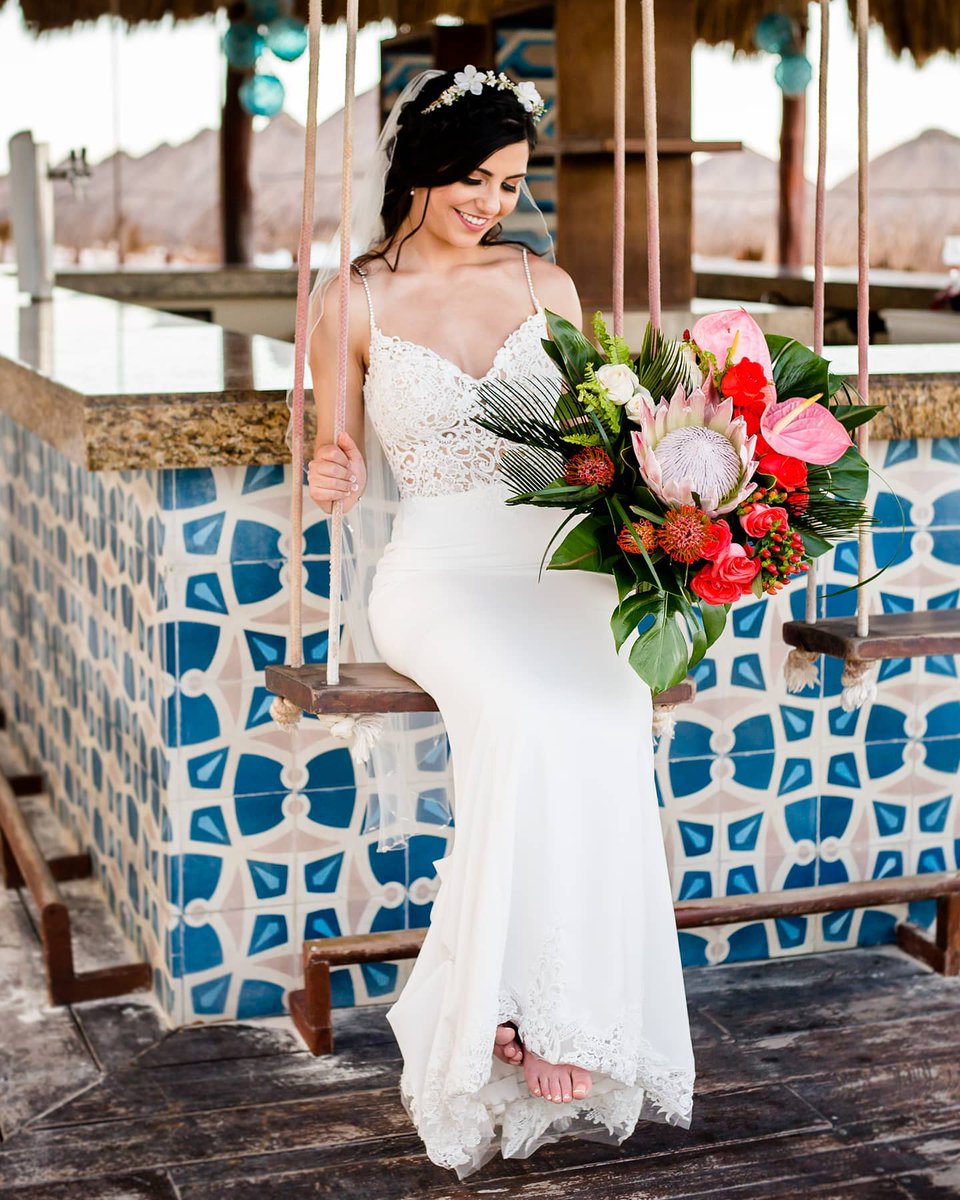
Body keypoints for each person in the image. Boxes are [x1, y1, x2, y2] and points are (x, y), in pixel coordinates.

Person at [304, 66, 695, 1180]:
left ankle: (556, 1012)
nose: (490, 201)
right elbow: (331, 453)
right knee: (522, 714)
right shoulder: (353, 301)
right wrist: (328, 467)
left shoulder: (546, 283)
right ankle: (504, 1014)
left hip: (556, 561)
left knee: (608, 705)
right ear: (419, 169)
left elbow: (602, 442)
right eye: (472, 177)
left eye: (511, 182)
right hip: (436, 569)